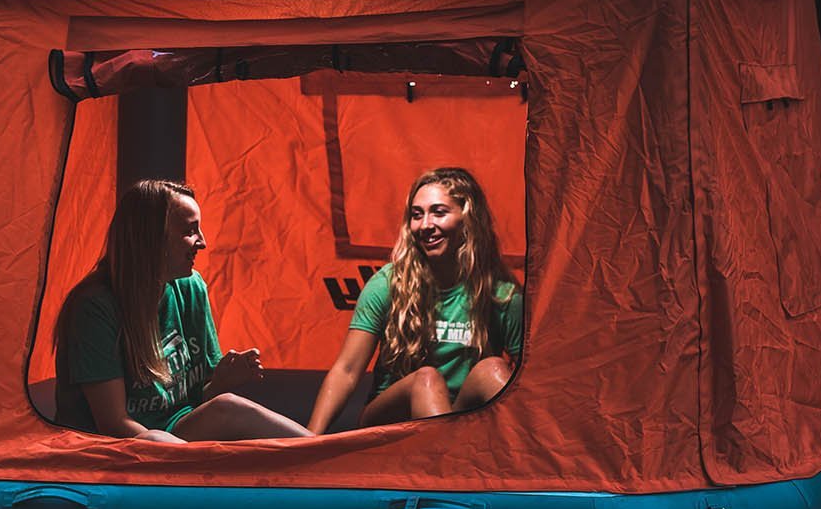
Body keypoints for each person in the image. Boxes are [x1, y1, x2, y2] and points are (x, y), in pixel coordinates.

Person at [54, 179, 308, 442]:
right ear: (150, 237)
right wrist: (186, 457)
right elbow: (113, 423)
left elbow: (199, 400)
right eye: (190, 231)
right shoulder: (94, 307)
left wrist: (222, 382)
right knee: (156, 439)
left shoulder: (190, 286)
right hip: (112, 447)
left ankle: (331, 456)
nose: (203, 243)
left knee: (230, 406)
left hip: (177, 432)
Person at [307, 167, 522, 433]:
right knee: (427, 379)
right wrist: (308, 440)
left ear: (468, 219)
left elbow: (530, 382)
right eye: (417, 215)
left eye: (439, 212)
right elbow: (347, 370)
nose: (425, 225)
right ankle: (447, 462)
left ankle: (539, 468)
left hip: (462, 416)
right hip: (393, 418)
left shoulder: (501, 293)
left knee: (494, 369)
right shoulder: (389, 283)